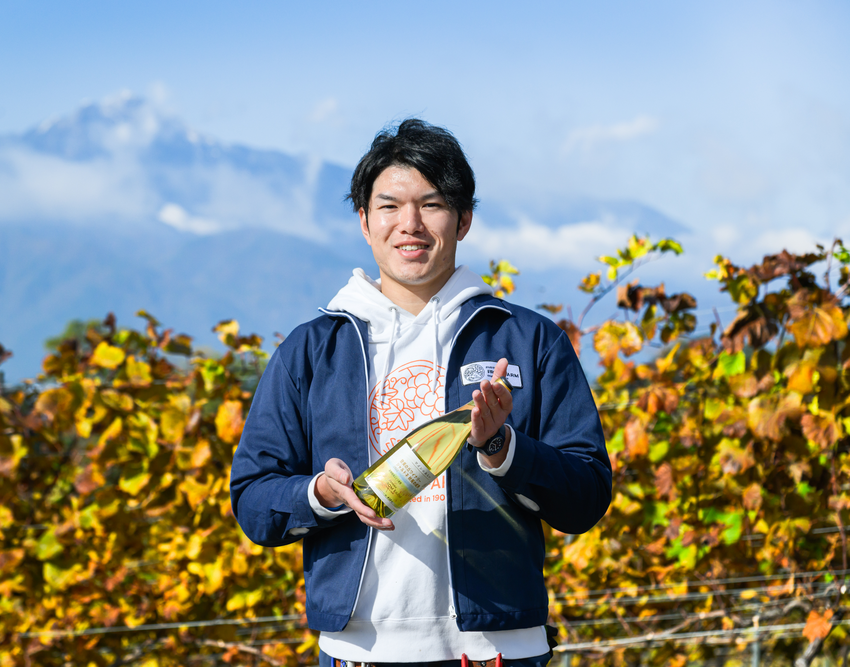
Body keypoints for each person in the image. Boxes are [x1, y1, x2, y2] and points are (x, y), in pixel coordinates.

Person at [230, 119, 611, 667]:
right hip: (357, 653)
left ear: (464, 219)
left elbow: (586, 497)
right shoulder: (312, 351)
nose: (409, 224)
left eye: (431, 204)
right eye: (388, 206)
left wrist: (503, 449)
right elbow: (253, 499)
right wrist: (318, 493)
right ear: (364, 221)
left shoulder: (528, 341)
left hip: (497, 652)